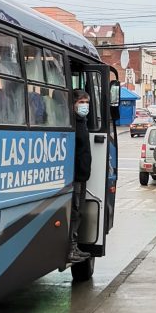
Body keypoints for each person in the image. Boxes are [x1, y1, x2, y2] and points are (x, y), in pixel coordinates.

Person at [69, 89, 92, 263]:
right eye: (81, 102)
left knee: (79, 212)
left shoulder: (82, 121)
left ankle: (75, 247)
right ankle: (71, 248)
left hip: (83, 175)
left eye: (87, 103)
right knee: (75, 212)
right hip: (75, 175)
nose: (85, 106)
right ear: (73, 104)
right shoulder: (72, 124)